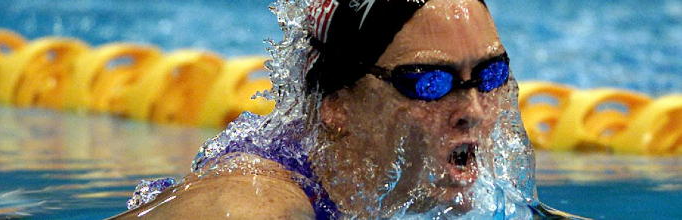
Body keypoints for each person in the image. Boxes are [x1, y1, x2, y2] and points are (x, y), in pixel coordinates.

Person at [111, 0, 584, 219]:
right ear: (337, 105)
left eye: (491, 74)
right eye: (429, 82)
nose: (474, 110)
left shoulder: (462, 194)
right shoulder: (257, 204)